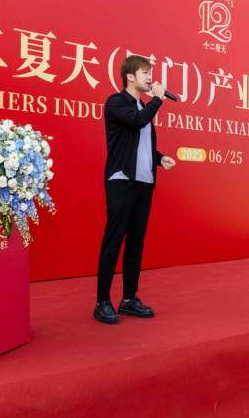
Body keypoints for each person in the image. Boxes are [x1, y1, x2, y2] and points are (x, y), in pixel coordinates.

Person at [93, 55, 176, 325]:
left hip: (144, 182)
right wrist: (158, 99)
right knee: (114, 239)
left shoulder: (142, 107)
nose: (150, 77)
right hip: (122, 180)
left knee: (136, 242)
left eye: (150, 73)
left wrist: (159, 158)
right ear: (130, 76)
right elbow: (138, 122)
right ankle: (102, 301)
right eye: (145, 72)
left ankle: (129, 299)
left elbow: (140, 142)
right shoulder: (116, 102)